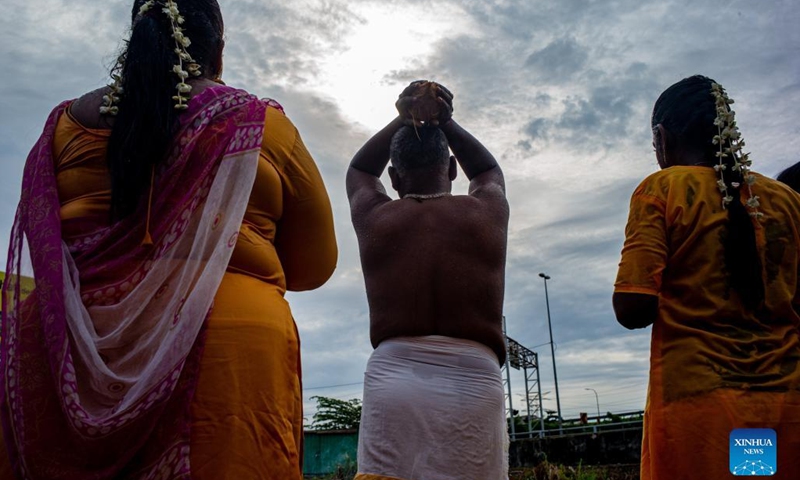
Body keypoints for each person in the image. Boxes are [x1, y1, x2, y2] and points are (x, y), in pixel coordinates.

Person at [0, 1, 337, 479]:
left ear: (135, 39)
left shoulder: (62, 127)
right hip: (227, 353)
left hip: (69, 354)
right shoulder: (259, 124)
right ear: (216, 49)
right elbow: (315, 266)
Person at [613, 75, 800, 480]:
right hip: (785, 404)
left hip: (699, 412)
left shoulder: (661, 190)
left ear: (661, 139)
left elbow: (632, 306)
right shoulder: (788, 201)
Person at [346, 81, 510, 480]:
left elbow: (359, 170)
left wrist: (401, 118)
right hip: (475, 382)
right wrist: (446, 122)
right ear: (453, 170)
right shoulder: (486, 213)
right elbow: (488, 170)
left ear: (394, 178)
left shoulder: (376, 218)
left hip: (393, 380)